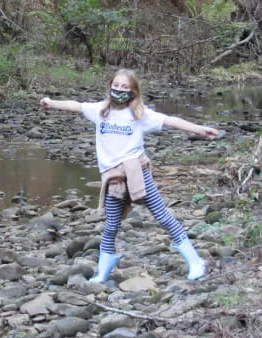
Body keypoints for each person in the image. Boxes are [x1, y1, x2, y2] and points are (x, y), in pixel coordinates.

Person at [40, 68, 218, 283]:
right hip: (113, 178)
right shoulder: (100, 110)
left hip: (136, 174)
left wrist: (199, 129)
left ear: (133, 91)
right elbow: (76, 106)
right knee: (112, 224)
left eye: (125, 87)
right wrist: (51, 102)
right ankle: (103, 271)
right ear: (110, 87)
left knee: (161, 215)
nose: (119, 90)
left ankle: (195, 262)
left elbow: (170, 120)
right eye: (116, 86)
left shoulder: (140, 114)